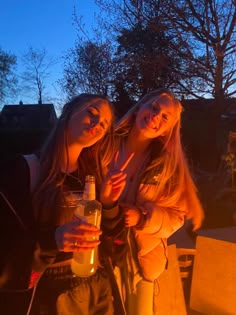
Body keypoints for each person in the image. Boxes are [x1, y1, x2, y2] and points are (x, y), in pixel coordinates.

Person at [0, 93, 115, 315]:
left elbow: (111, 242)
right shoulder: (23, 171)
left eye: (104, 124)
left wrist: (110, 204)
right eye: (91, 113)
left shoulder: (92, 178)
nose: (97, 124)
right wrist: (51, 240)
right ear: (68, 113)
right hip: (47, 293)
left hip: (95, 287)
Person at [100, 89, 205, 315]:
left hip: (141, 264)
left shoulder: (166, 166)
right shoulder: (103, 147)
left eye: (165, 117)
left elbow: (176, 217)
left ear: (168, 129)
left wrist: (143, 217)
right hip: (99, 258)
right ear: (139, 107)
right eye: (153, 107)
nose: (156, 116)